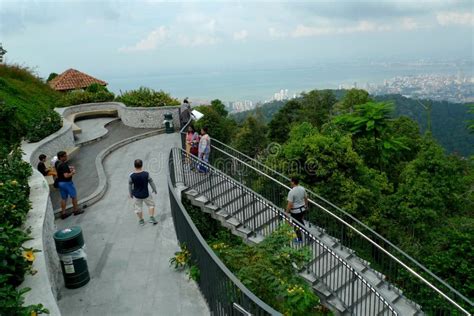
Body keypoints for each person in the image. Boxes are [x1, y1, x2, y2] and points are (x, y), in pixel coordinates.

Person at [129, 159, 158, 226]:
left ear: (134, 166)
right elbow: (151, 182)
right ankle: (151, 217)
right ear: (142, 165)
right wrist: (154, 189)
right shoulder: (146, 174)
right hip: (146, 193)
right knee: (151, 205)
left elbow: (130, 185)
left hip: (136, 195)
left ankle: (141, 220)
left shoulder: (131, 176)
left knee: (138, 208)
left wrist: (130, 193)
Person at [56, 151, 83, 219]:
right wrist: (73, 172)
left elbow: (61, 169)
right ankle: (76, 210)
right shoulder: (64, 165)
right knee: (74, 196)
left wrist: (68, 168)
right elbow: (66, 175)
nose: (67, 157)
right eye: (65, 156)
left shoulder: (57, 163)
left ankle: (63, 214)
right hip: (67, 183)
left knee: (64, 198)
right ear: (61, 157)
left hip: (60, 183)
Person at [286, 177, 308, 243]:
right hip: (303, 209)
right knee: (300, 222)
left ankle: (300, 239)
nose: (290, 182)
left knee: (296, 225)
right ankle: (307, 234)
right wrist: (306, 205)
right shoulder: (302, 188)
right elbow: (306, 198)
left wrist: (286, 212)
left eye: (291, 181)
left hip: (295, 211)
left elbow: (290, 204)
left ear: (293, 182)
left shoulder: (291, 192)